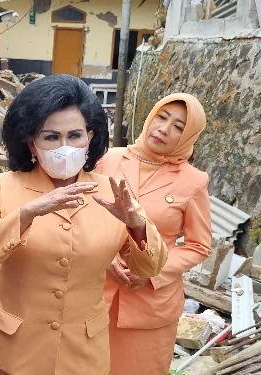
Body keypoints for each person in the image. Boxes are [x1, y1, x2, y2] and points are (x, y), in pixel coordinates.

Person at [0, 74, 169, 375]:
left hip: (82, 354)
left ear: (90, 138)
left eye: (74, 135)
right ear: (32, 144)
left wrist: (137, 226)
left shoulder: (112, 192)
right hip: (12, 353)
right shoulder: (3, 187)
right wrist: (27, 213)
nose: (65, 146)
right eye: (51, 137)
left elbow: (150, 268)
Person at [95, 93, 212, 375]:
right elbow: (84, 215)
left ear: (188, 137)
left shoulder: (193, 181)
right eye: (162, 117)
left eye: (178, 127)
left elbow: (199, 245)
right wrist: (104, 258)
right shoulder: (107, 159)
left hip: (149, 305)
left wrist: (153, 272)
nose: (163, 129)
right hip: (96, 291)